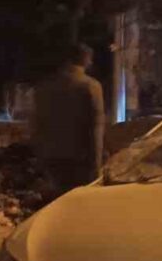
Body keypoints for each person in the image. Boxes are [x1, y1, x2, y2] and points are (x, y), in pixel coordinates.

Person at [31, 43, 106, 193]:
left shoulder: (44, 87)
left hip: (51, 156)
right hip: (80, 159)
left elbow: (36, 124)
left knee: (58, 200)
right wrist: (97, 163)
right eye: (90, 59)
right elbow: (95, 127)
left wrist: (39, 156)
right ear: (85, 60)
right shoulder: (90, 86)